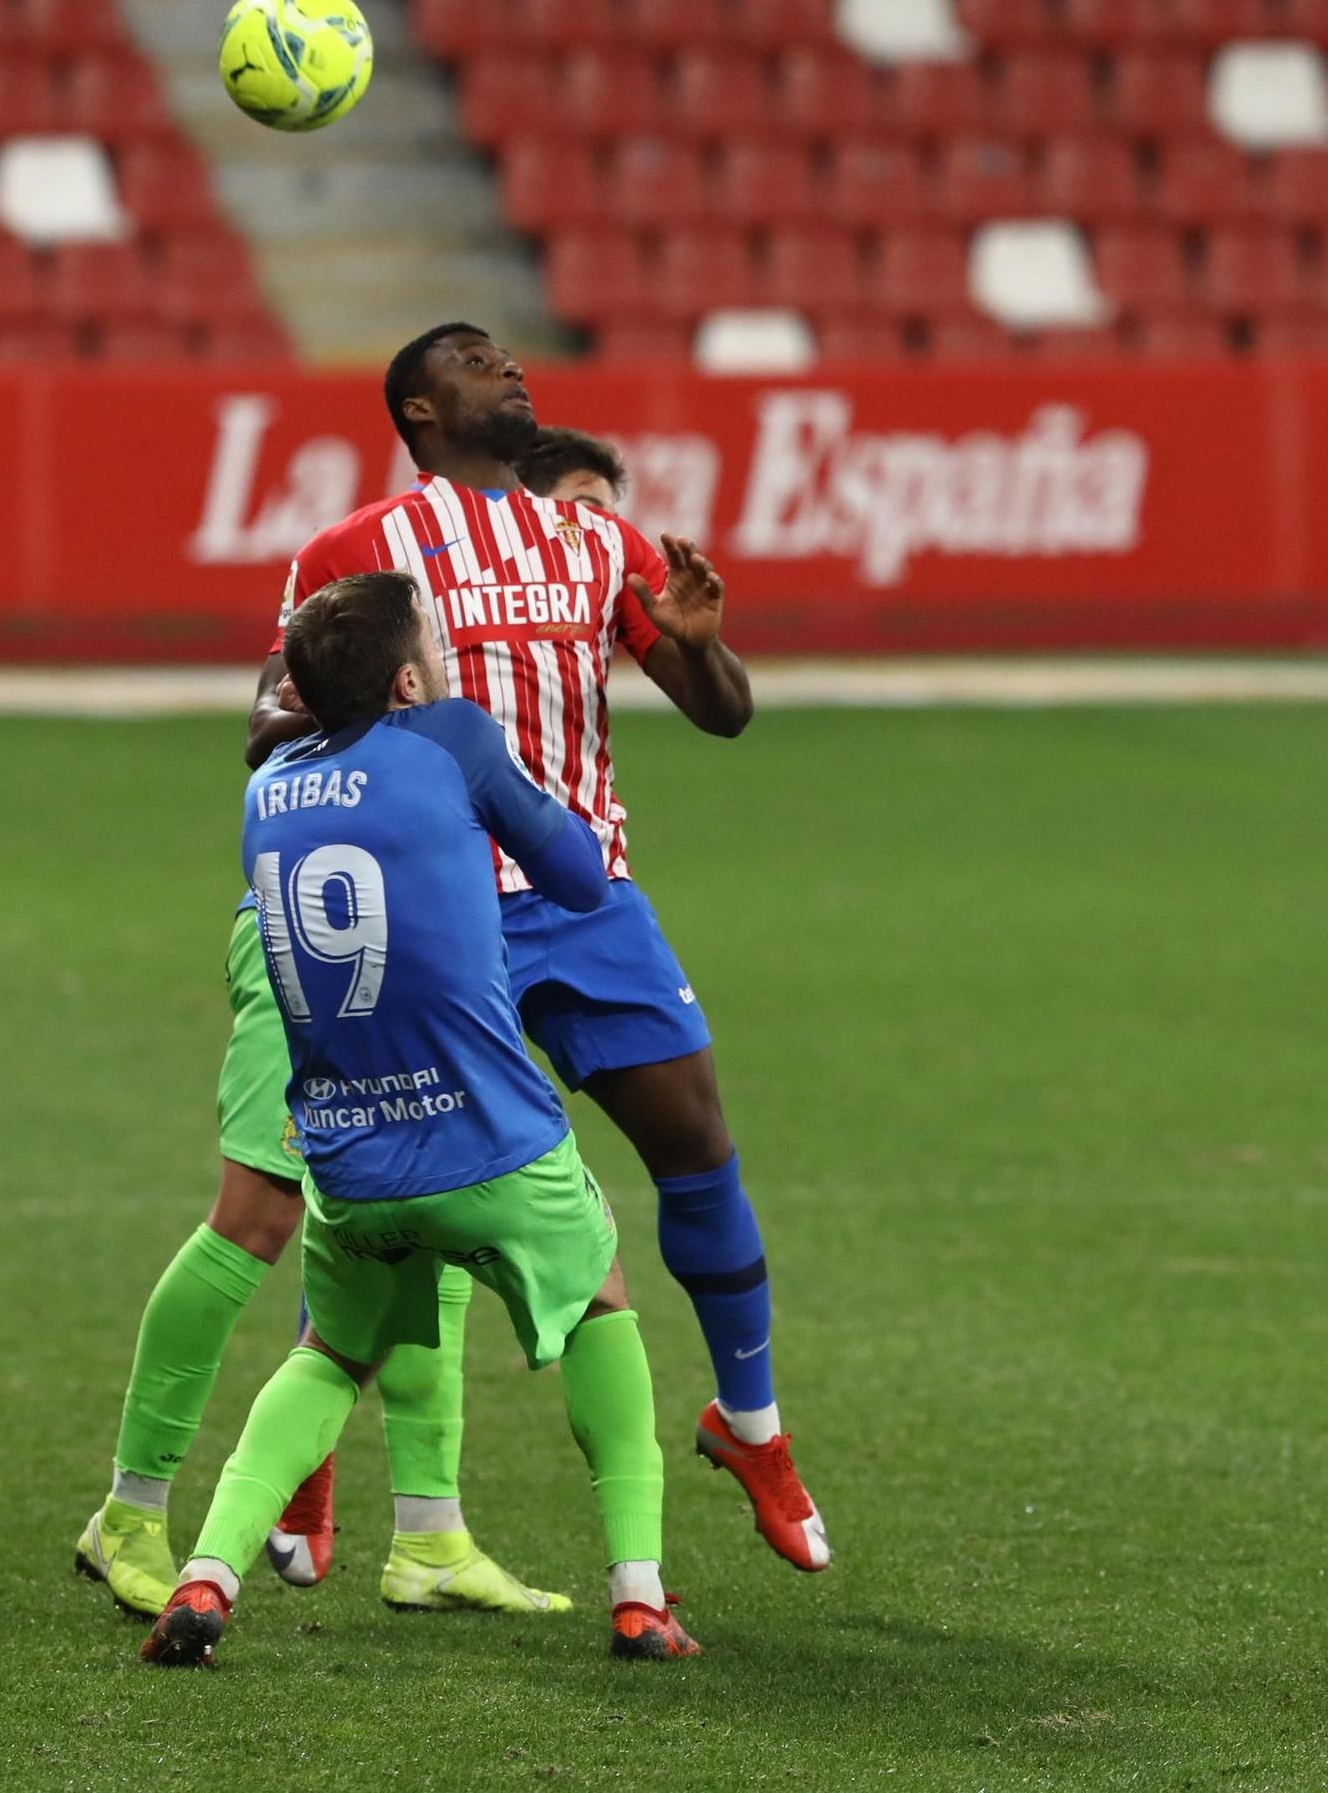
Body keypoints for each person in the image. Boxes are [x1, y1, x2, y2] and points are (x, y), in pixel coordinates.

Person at [248, 325, 830, 1575]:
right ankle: (306, 1484)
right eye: (471, 357)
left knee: (697, 1142)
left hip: (581, 896)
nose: (507, 365)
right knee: (396, 1183)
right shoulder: (354, 552)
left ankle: (752, 1424)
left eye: (508, 353)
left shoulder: (596, 541)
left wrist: (699, 638)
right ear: (416, 408)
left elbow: (720, 714)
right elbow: (266, 726)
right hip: (428, 914)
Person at [75, 425, 644, 1621]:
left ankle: (429, 1533)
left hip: (384, 931)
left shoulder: (340, 714)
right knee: (256, 1211)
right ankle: (130, 1504)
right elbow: (281, 730)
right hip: (328, 946)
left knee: (422, 1186)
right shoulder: (386, 668)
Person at [141, 572, 697, 1666]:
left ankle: (206, 1575)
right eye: (434, 644)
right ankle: (638, 1591)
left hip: (347, 1160)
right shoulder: (450, 733)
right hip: (490, 1137)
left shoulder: (267, 789)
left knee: (327, 1352)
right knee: (600, 1299)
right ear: (406, 677)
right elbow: (580, 879)